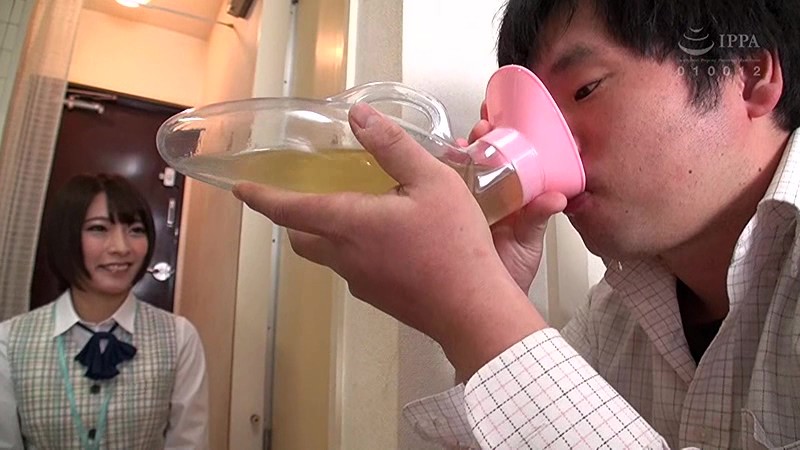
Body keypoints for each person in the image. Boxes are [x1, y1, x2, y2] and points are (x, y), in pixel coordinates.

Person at [233, 0, 800, 448]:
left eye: (585, 89)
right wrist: (494, 296)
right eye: (532, 115)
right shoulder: (614, 317)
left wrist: (474, 309)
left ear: (749, 76)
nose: (547, 145)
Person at [0, 174, 209, 449]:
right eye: (98, 228)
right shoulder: (9, 342)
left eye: (136, 230)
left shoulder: (179, 337)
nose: (121, 247)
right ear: (65, 236)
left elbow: (188, 443)